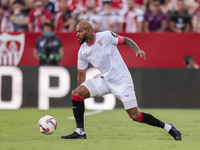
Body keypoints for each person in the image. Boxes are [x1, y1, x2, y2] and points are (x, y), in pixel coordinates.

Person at [61, 20, 182, 141]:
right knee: (76, 94)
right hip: (105, 80)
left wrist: (137, 50)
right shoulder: (82, 51)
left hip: (122, 80)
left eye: (80, 31)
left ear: (89, 31)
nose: (77, 34)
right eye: (76, 32)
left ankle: (168, 127)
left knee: (135, 116)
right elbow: (81, 74)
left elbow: (125, 40)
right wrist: (81, 93)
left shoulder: (106, 36)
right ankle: (80, 132)